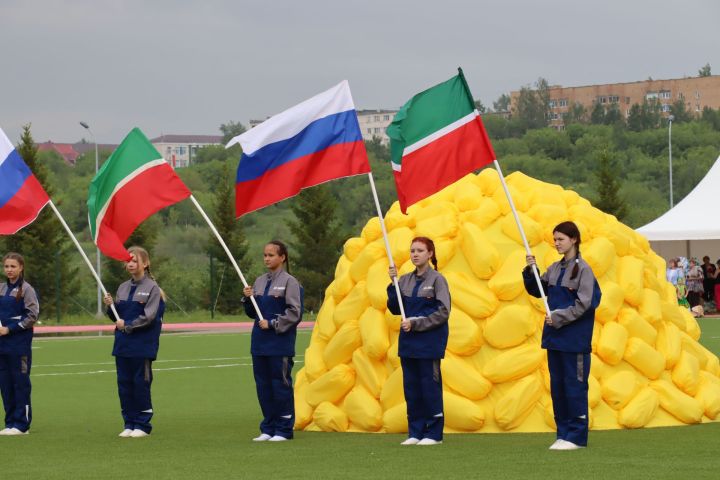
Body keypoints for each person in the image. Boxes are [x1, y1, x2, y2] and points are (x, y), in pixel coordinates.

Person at [523, 221, 601, 451]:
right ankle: (563, 433)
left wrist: (559, 317)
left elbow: (587, 303)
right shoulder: (555, 269)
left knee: (574, 387)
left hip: (574, 341)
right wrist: (531, 270)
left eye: (561, 239)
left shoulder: (584, 270)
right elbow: (538, 290)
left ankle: (576, 437)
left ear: (574, 239)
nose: (556, 243)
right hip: (554, 340)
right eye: (555, 239)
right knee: (558, 388)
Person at [387, 237, 451, 446]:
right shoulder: (404, 280)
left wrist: (416, 324)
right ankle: (415, 431)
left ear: (430, 254)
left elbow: (443, 312)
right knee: (412, 389)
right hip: (408, 345)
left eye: (420, 251)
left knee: (429, 388)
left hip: (429, 344)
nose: (415, 254)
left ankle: (433, 434)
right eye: (412, 250)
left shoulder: (437, 280)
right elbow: (396, 308)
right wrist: (393, 284)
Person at [242, 240, 303, 442]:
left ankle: (284, 429)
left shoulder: (290, 282)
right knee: (263, 386)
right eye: (265, 255)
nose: (267, 258)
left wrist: (274, 323)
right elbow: (253, 313)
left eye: (271, 255)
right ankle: (268, 427)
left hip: (279, 344)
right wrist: (248, 299)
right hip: (259, 344)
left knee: (280, 385)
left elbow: (295, 313)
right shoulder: (259, 281)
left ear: (282, 257)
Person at [103, 246, 165, 438]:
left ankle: (142, 424)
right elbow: (117, 318)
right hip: (122, 346)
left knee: (141, 384)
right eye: (127, 261)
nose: (130, 264)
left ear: (145, 264)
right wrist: (110, 307)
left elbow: (150, 317)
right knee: (124, 385)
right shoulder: (122, 287)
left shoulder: (152, 289)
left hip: (142, 346)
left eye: (134, 260)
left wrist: (127, 325)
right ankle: (129, 423)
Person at [0, 253, 39, 436]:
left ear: (21, 267)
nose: (9, 270)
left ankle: (22, 425)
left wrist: (11, 329)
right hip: (2, 347)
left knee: (20, 384)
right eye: (6, 266)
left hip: (19, 346)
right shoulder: (1, 288)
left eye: (13, 266)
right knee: (5, 384)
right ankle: (10, 423)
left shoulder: (27, 289)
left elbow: (32, 316)